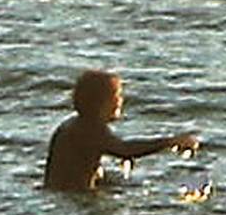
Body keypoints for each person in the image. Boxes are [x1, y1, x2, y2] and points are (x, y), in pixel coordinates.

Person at [42, 69, 199, 192]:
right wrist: (170, 142)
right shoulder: (89, 129)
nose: (120, 101)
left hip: (58, 192)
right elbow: (125, 150)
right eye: (116, 96)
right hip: (73, 195)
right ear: (99, 102)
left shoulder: (72, 125)